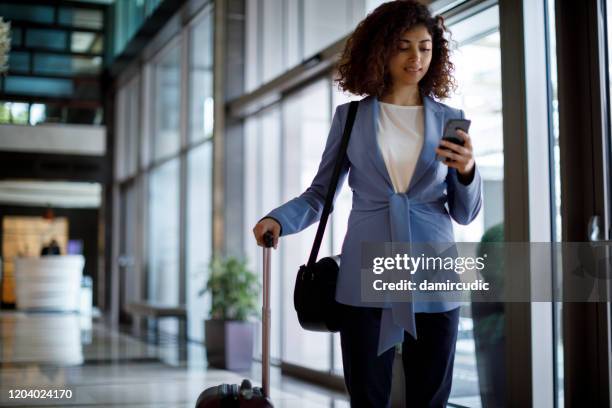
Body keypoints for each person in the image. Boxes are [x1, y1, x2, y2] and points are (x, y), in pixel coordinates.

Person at [252, 1, 482, 406]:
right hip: (366, 273)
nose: (416, 58)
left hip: (434, 272)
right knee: (367, 397)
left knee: (430, 399)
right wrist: (279, 220)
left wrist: (467, 171)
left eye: (425, 47)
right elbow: (320, 194)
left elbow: (464, 213)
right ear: (381, 49)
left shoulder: (451, 119)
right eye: (404, 46)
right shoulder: (353, 118)